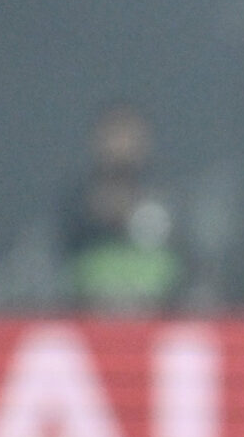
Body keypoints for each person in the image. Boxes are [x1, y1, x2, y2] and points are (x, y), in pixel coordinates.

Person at [63, 102, 181, 314]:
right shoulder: (73, 208)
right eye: (114, 136)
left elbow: (182, 271)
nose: (121, 146)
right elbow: (62, 269)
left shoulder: (168, 203)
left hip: (157, 316)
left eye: (129, 137)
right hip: (89, 316)